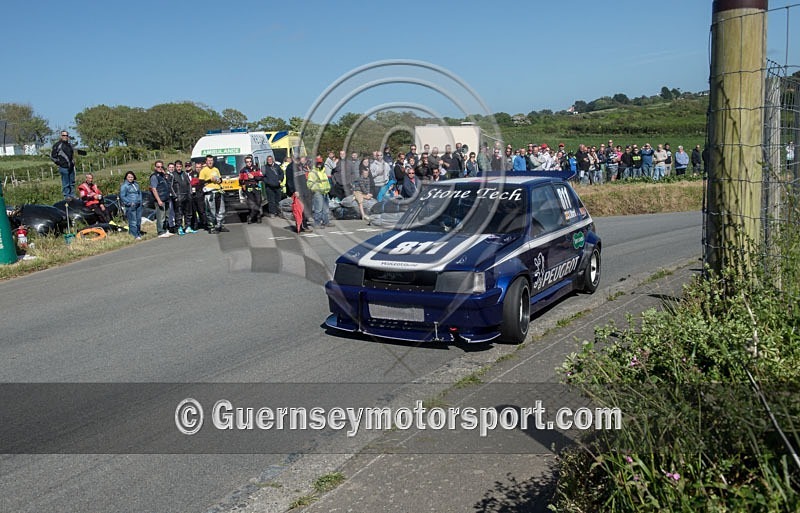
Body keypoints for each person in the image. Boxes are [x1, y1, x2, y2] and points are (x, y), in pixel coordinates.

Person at [199, 154, 227, 233]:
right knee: (211, 211)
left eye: (211, 161)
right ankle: (211, 227)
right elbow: (201, 183)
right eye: (208, 161)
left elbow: (220, 180)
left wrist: (218, 180)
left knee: (221, 209)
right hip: (209, 193)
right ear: (206, 162)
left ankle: (220, 225)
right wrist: (210, 180)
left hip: (218, 191)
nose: (210, 162)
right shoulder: (203, 170)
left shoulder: (216, 169)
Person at [149, 160, 173, 238]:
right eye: (158, 167)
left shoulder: (163, 175)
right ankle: (160, 231)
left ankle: (166, 230)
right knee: (160, 217)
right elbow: (154, 189)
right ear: (155, 167)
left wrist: (164, 173)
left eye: (161, 166)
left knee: (166, 216)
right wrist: (158, 200)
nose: (160, 168)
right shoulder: (154, 176)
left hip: (166, 198)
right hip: (160, 199)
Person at [307, 156, 332, 228]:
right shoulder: (313, 173)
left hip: (325, 192)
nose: (319, 164)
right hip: (318, 192)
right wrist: (316, 189)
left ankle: (326, 222)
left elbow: (326, 182)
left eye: (320, 163)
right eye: (318, 163)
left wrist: (328, 188)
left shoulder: (323, 171)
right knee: (318, 209)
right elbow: (309, 184)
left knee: (326, 209)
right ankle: (317, 223)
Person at [238, 155, 263, 224]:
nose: (249, 163)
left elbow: (261, 178)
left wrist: (254, 176)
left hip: (256, 186)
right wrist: (243, 187)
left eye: (250, 161)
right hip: (248, 187)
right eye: (247, 162)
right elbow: (240, 181)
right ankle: (253, 217)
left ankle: (253, 216)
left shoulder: (256, 168)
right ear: (245, 163)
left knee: (258, 202)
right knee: (252, 203)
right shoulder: (243, 170)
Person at [51, 130, 76, 199]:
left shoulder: (70, 145)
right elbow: (53, 157)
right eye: (63, 135)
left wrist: (73, 162)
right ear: (61, 136)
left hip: (71, 167)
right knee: (66, 184)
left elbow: (71, 155)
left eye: (66, 135)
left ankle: (73, 196)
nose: (65, 137)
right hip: (63, 167)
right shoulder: (57, 145)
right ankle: (67, 196)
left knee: (72, 182)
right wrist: (60, 163)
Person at [119, 171, 143, 240]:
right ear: (126, 177)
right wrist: (129, 203)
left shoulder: (136, 184)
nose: (130, 178)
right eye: (129, 177)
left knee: (138, 220)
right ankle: (134, 235)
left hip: (138, 204)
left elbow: (139, 193)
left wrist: (140, 201)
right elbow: (122, 196)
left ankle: (138, 232)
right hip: (131, 205)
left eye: (132, 177)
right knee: (133, 220)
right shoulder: (124, 186)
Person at [172, 160, 193, 234]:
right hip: (178, 196)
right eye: (177, 167)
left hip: (186, 195)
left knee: (188, 212)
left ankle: (188, 227)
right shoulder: (172, 175)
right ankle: (179, 227)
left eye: (180, 167)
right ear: (175, 167)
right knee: (179, 213)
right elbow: (170, 186)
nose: (179, 168)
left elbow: (189, 184)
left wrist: (190, 193)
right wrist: (175, 196)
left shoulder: (184, 174)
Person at [189, 161, 207, 232]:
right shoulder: (192, 174)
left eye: (199, 167)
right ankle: (195, 224)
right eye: (197, 167)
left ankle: (205, 223)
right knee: (194, 210)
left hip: (201, 194)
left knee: (201, 210)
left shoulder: (203, 174)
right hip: (193, 194)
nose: (198, 169)